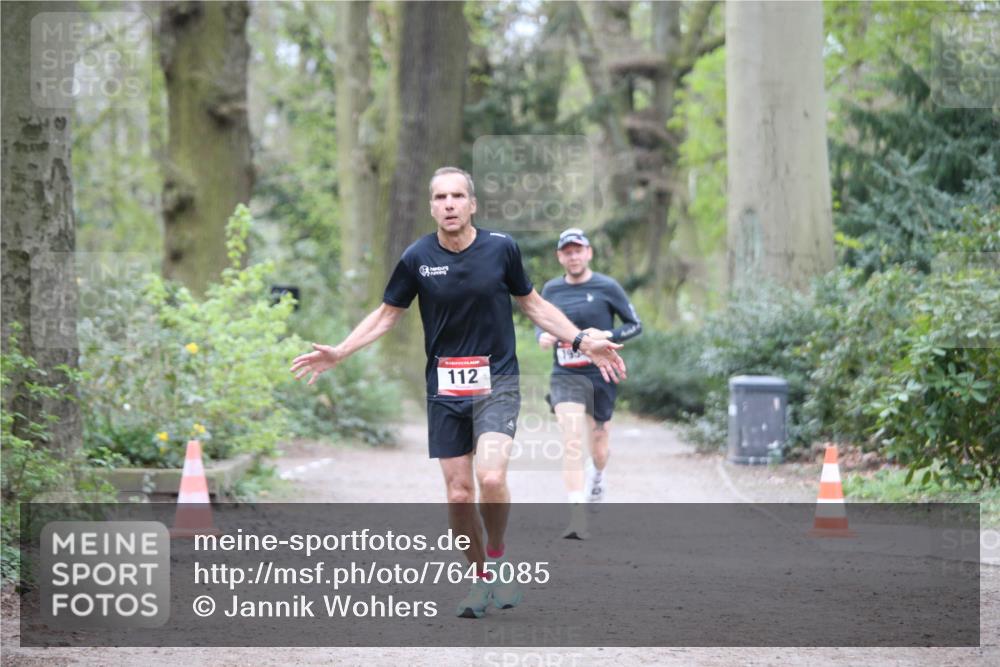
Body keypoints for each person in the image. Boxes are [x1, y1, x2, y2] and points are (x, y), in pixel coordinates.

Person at [290, 168, 627, 618]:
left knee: (490, 478)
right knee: (458, 495)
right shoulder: (417, 257)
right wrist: (341, 351)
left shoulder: (501, 249)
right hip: (444, 387)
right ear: (431, 207)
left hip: (498, 381)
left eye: (457, 196)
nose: (448, 204)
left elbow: (534, 305)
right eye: (440, 197)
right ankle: (479, 580)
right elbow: (388, 314)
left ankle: (498, 556)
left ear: (472, 204)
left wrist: (582, 340)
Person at [537, 228, 642, 539]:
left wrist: (604, 335)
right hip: (565, 375)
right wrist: (542, 336)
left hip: (601, 375)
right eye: (567, 252)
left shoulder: (606, 286)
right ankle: (576, 515)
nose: (573, 256)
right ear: (560, 257)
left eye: (578, 250)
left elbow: (635, 325)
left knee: (598, 445)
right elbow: (541, 322)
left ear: (588, 253)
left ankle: (597, 475)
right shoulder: (552, 290)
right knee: (571, 441)